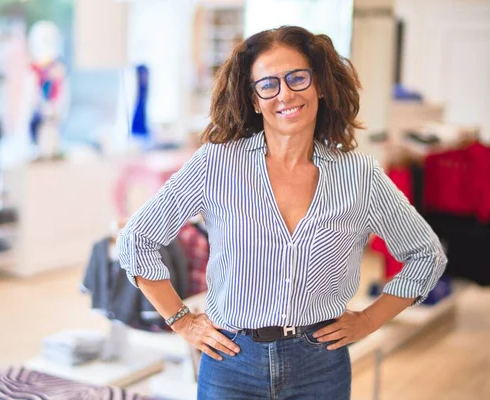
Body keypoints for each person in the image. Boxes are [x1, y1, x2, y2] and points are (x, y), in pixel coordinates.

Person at [117, 26, 447, 399]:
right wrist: (181, 321)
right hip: (231, 364)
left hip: (321, 366)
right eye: (268, 84)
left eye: (297, 78)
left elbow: (426, 256)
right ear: (255, 100)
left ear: (319, 84)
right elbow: (137, 239)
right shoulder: (216, 165)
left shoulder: (360, 176)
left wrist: (370, 319)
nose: (285, 93)